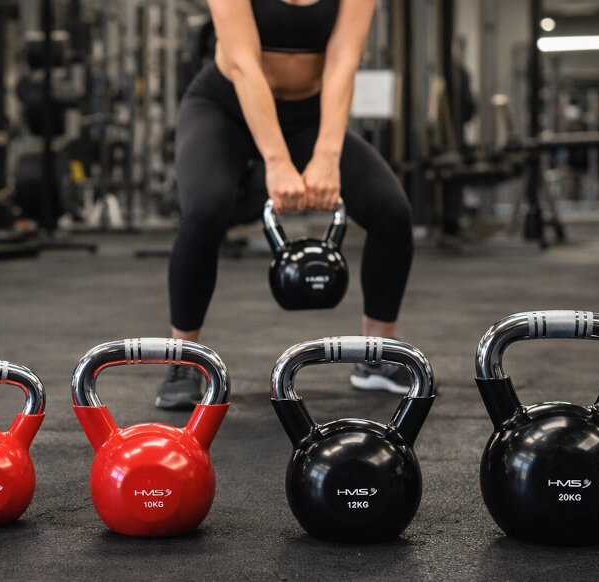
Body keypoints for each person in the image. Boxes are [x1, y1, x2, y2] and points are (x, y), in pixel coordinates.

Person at [157, 0, 415, 410]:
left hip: (308, 113)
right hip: (224, 105)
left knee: (391, 210)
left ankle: (376, 357)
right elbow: (244, 65)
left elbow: (342, 63)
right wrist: (276, 161)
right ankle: (184, 361)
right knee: (205, 209)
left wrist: (327, 157)